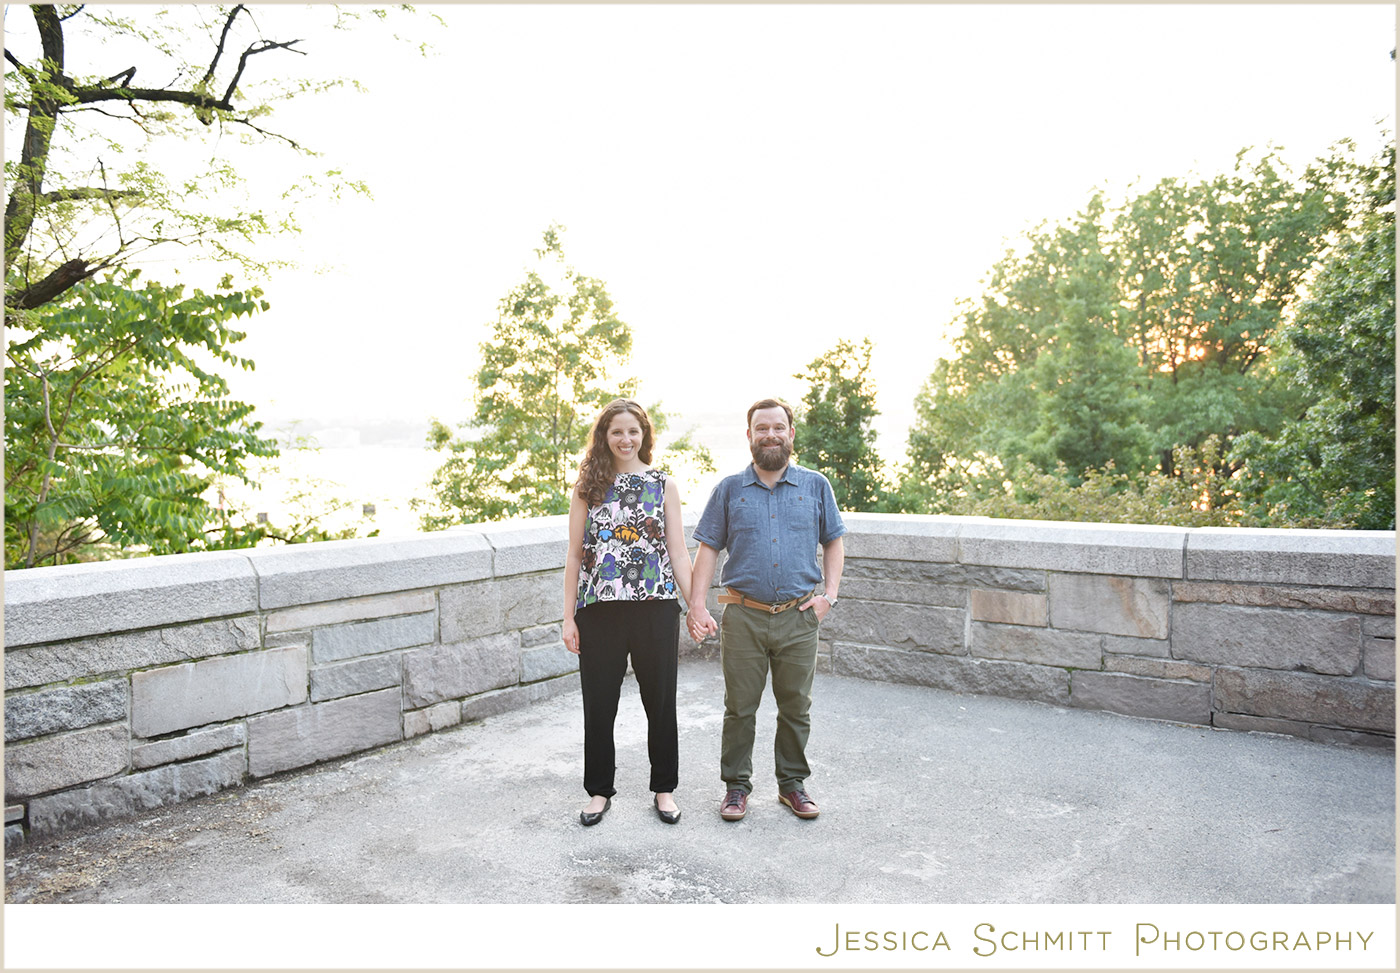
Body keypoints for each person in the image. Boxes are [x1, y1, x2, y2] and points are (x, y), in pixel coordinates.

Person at [687, 398, 845, 821]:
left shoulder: (816, 486)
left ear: (791, 433)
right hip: (743, 616)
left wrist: (828, 596)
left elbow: (833, 541)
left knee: (796, 706)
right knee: (740, 707)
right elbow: (707, 550)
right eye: (762, 429)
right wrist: (696, 605)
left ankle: (792, 785)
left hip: (799, 617)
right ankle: (736, 787)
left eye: (779, 427)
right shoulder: (728, 490)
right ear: (750, 436)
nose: (770, 435)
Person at [564, 398, 695, 826]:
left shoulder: (663, 484)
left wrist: (695, 604)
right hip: (598, 612)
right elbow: (574, 554)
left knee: (660, 704)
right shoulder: (588, 487)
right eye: (616, 431)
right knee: (599, 706)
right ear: (605, 436)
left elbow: (677, 549)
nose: (625, 439)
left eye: (633, 431)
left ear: (644, 435)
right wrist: (568, 617)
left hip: (655, 610)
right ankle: (599, 791)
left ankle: (664, 789)